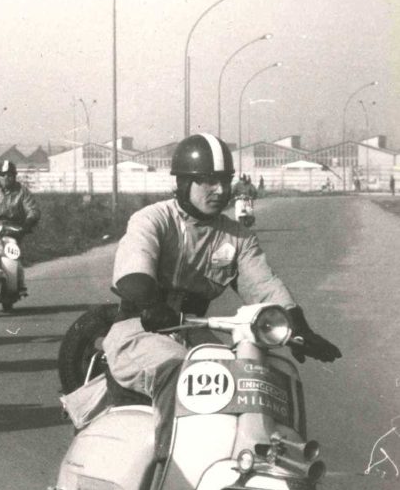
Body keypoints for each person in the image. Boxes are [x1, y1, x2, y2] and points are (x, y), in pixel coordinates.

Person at [102, 133, 341, 458]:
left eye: (225, 181)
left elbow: (264, 285)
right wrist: (152, 304)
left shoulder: (237, 236)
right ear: (183, 182)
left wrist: (299, 328)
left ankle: (264, 460)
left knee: (253, 376)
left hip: (193, 332)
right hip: (139, 330)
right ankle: (170, 464)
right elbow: (133, 273)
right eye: (207, 181)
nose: (219, 190)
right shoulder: (153, 219)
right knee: (184, 374)